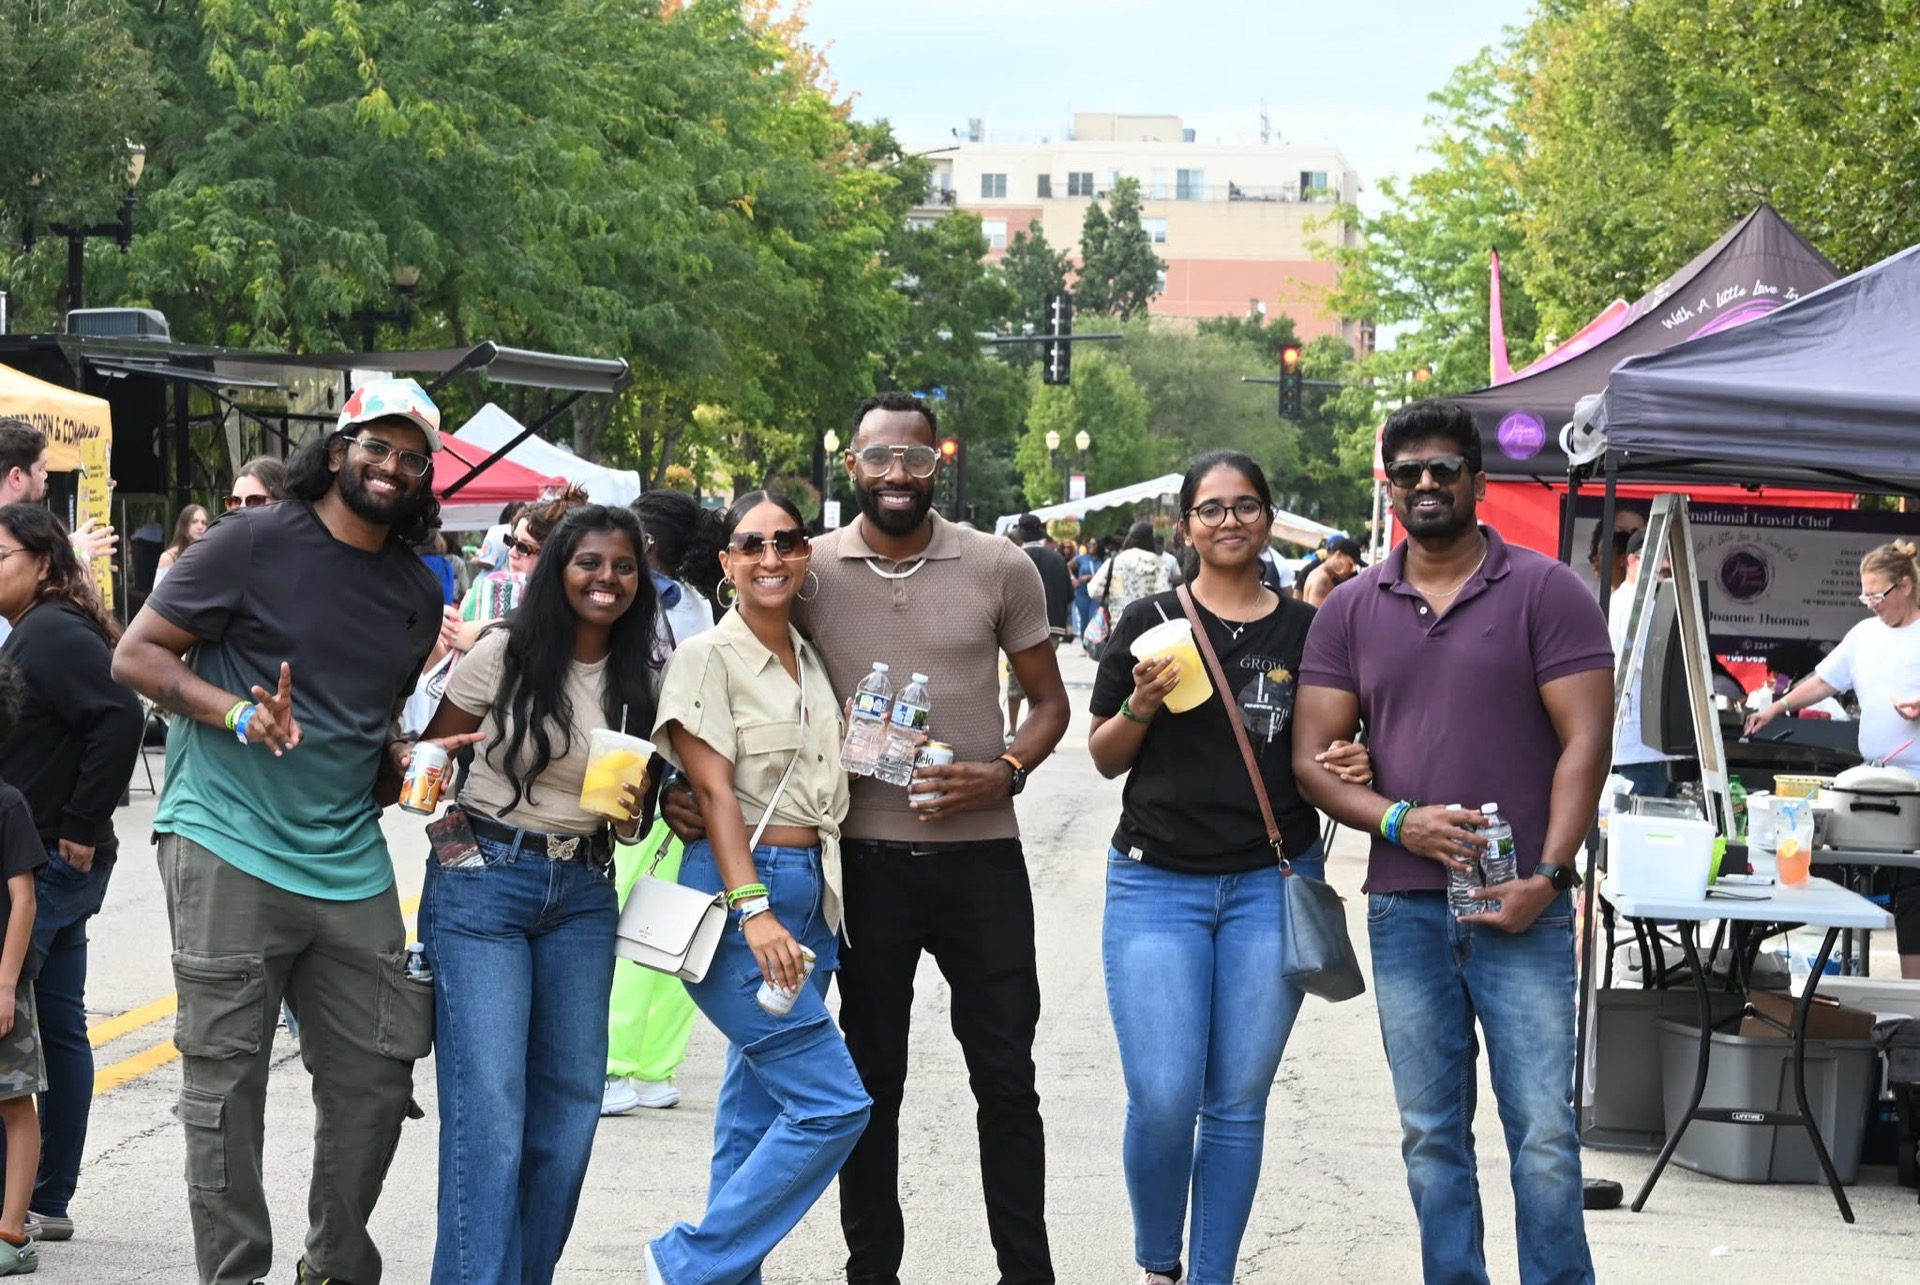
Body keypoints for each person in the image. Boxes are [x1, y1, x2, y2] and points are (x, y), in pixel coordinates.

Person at [664, 390, 1070, 1285]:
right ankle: (870, 1273)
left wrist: (1003, 769)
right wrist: (681, 790)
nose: (897, 474)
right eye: (879, 458)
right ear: (853, 465)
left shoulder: (1000, 566)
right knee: (868, 1084)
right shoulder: (806, 572)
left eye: (914, 459)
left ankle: (1026, 1273)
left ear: (940, 463)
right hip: (862, 869)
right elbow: (730, 685)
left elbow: (1050, 702)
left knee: (1006, 1078)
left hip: (982, 863)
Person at [111, 377, 464, 1285]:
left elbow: (365, 728)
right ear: (339, 447)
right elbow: (137, 654)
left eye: (410, 455)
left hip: (346, 857)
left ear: (426, 475)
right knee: (225, 1085)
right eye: (375, 446)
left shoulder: (415, 593)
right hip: (225, 836)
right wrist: (237, 715)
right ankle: (235, 1273)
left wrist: (414, 762)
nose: (390, 465)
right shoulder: (252, 541)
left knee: (381, 1080)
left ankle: (335, 1267)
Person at [1293, 399, 1613, 1285]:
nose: (1426, 483)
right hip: (1404, 906)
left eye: (1444, 469)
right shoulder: (1351, 608)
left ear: (1477, 481)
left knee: (1544, 1133)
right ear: (1388, 487)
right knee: (1431, 1133)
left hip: (1525, 906)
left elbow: (1588, 739)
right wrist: (1400, 817)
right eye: (1409, 472)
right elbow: (1313, 763)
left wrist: (1550, 875)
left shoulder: (1547, 591)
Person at [1087, 451, 1371, 1285]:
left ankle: (1211, 1275)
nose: (1230, 521)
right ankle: (1157, 1263)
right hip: (1155, 883)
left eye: (1247, 505)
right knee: (1167, 1096)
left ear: (1269, 517)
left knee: (1237, 1106)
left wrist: (1358, 754)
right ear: (1187, 526)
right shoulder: (1148, 617)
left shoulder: (1310, 631)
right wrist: (1139, 703)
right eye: (1211, 509)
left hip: (1268, 883)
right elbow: (1104, 755)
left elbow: (1341, 735)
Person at [416, 505, 656, 1285]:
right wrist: (455, 850)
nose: (607, 579)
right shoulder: (503, 651)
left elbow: (638, 808)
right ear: (558, 566)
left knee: (571, 1112)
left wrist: (636, 812)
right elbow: (435, 760)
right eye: (590, 561)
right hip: (486, 882)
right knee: (491, 1116)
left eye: (623, 566)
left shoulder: (641, 671)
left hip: (584, 889)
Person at [642, 491, 869, 1285]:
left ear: (805, 556)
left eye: (787, 540)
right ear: (727, 562)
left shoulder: (811, 656)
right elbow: (711, 796)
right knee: (833, 1103)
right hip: (747, 893)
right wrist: (756, 910)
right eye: (752, 544)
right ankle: (687, 1260)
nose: (771, 556)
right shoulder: (708, 655)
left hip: (815, 892)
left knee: (753, 1112)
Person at [0, 506, 143, 1245]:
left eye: (0, 554)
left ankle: (18, 1201)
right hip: (48, 854)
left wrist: (81, 828)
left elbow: (120, 712)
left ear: (45, 561)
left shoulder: (51, 631)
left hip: (50, 862)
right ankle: (44, 1196)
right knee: (55, 1022)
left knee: (14, 1024)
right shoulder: (39, 627)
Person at [601, 489, 728, 1117]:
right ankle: (654, 1068)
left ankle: (613, 1065)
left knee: (633, 923)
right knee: (683, 922)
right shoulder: (703, 605)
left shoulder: (641, 605)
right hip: (702, 782)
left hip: (644, 777)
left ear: (644, 541)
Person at [1746, 539, 1920, 978]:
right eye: (1866, 596)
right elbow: (1824, 681)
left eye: (1878, 596)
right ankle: (1865, 983)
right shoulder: (1863, 636)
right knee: (1863, 876)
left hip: (1916, 784)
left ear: (1907, 586)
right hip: (1873, 783)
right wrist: (1777, 706)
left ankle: (1915, 993)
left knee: (1915, 889)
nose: (1872, 605)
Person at [0, 662, 42, 1277]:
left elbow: (25, 899)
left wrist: (5, 984)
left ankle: (12, 1233)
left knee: (15, 1105)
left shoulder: (6, 803)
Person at [1608, 528, 1676, 799]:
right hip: (1638, 746)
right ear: (1633, 560)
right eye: (1660, 556)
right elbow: (1644, 661)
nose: (1667, 565)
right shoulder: (1628, 603)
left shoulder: (1641, 601)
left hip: (1645, 745)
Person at [1008, 513, 1074, 734]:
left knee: (1016, 678)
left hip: (1017, 628)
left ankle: (1013, 728)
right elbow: (1068, 591)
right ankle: (1034, 730)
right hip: (1052, 627)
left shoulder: (1014, 556)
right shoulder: (1056, 559)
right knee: (1041, 681)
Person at [1090, 521, 1173, 631]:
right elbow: (1163, 596)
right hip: (1147, 629)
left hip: (1118, 628)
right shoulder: (1158, 564)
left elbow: (1094, 590)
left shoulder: (1115, 562)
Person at [1298, 536, 1365, 607]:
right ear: (1338, 555)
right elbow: (1319, 615)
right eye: (1350, 564)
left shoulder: (1317, 574)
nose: (1351, 570)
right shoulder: (1323, 580)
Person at [154, 504, 210, 588]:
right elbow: (157, 593)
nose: (200, 526)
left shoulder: (210, 554)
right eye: (194, 521)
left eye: (204, 523)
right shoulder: (169, 557)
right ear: (184, 525)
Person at [1070, 538, 1103, 638]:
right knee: (1084, 618)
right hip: (1082, 593)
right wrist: (1073, 579)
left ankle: (1093, 642)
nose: (1091, 546)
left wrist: (1090, 577)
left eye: (1094, 544)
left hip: (1096, 594)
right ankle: (1085, 643)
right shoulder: (1081, 558)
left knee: (1093, 617)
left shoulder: (1102, 560)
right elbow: (1068, 566)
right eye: (1090, 544)